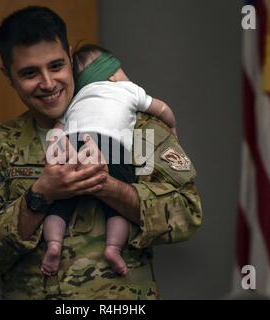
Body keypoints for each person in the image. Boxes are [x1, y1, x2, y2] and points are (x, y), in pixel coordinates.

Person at [0, 6, 202, 300]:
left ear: (70, 58)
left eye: (56, 66)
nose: (47, 83)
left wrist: (108, 186)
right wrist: (40, 196)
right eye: (30, 73)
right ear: (9, 76)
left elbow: (187, 214)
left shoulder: (136, 131)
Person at [40, 44, 177, 277]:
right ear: (113, 74)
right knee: (117, 208)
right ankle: (113, 249)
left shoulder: (74, 100)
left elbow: (58, 129)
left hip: (76, 146)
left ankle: (53, 244)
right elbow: (161, 108)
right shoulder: (129, 90)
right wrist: (172, 125)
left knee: (60, 202)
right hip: (113, 148)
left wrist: (54, 153)